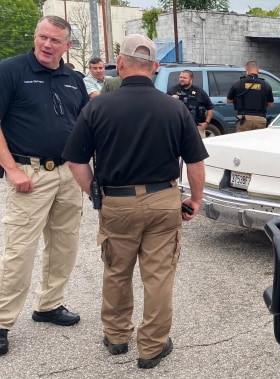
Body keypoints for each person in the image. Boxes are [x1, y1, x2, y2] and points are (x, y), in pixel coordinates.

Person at [62, 34, 208, 369]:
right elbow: (196, 163)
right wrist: (196, 199)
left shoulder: (97, 106)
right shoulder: (175, 108)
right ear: (155, 68)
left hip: (118, 202)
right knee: (158, 277)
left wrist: (94, 193)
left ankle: (116, 337)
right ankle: (152, 348)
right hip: (163, 201)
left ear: (121, 64)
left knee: (116, 271)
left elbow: (75, 160)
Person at [0, 15, 89, 357]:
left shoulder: (73, 79)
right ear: (35, 37)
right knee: (19, 250)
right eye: (43, 37)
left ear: (68, 46)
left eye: (55, 40)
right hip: (29, 175)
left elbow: (84, 124)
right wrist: (11, 169)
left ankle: (49, 306)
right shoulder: (10, 71)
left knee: (64, 245)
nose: (47, 45)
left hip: (68, 173)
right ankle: (2, 322)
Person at [226, 61, 274, 132]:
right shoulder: (266, 85)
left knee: (243, 142)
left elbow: (228, 101)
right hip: (260, 120)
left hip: (243, 119)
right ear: (258, 70)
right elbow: (271, 104)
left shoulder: (238, 84)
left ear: (246, 69)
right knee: (257, 142)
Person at [168, 70, 214, 138]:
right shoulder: (173, 90)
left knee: (198, 148)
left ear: (191, 80)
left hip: (196, 127)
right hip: (178, 127)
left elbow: (210, 108)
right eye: (180, 77)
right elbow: (164, 106)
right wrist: (171, 99)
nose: (182, 79)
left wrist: (206, 123)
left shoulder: (199, 92)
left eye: (184, 78)